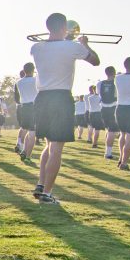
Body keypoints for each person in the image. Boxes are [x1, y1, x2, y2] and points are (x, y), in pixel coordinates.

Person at [30, 12, 101, 204]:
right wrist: (84, 43)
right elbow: (95, 61)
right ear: (64, 28)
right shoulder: (73, 47)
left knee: (48, 144)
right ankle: (47, 192)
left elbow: (53, 46)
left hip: (42, 98)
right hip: (61, 97)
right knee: (57, 149)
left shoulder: (36, 47)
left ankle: (40, 184)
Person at [14, 62, 38, 161]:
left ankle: (23, 148)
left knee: (27, 129)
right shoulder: (36, 80)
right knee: (32, 132)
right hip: (34, 106)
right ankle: (27, 155)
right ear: (33, 69)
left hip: (23, 107)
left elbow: (17, 98)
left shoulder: (18, 82)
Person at [98, 66, 119, 160]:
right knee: (112, 131)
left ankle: (107, 151)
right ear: (114, 73)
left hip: (103, 108)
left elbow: (100, 94)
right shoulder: (116, 82)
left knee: (109, 130)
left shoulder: (100, 83)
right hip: (113, 107)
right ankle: (108, 153)